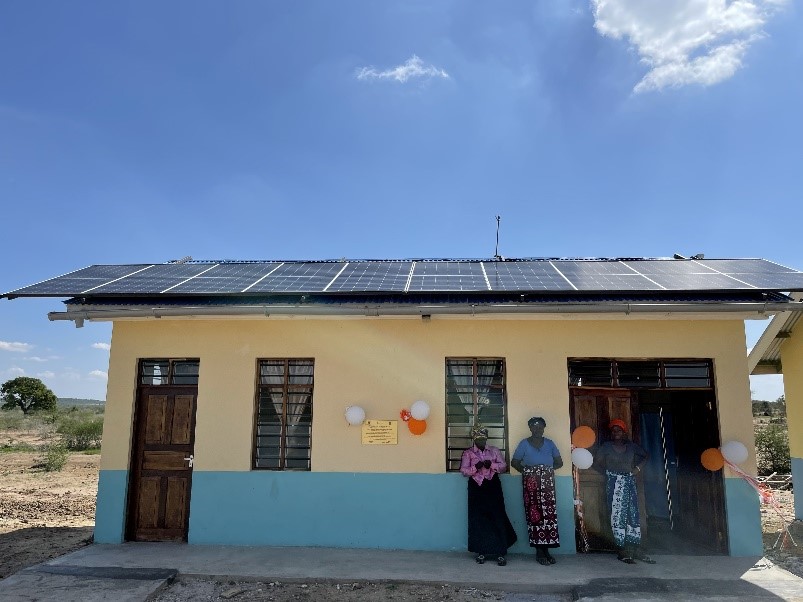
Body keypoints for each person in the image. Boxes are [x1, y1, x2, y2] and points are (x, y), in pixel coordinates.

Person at [592, 419, 655, 564]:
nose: (616, 433)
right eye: (613, 431)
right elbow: (595, 464)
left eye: (618, 430)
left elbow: (646, 456)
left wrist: (637, 469)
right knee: (616, 516)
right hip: (613, 484)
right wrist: (607, 474)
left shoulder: (632, 447)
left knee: (632, 515)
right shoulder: (606, 447)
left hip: (629, 482)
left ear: (624, 432)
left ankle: (635, 548)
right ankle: (622, 550)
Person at [460, 424, 518, 566]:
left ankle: (500, 552)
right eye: (478, 439)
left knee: (497, 516)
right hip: (476, 488)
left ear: (486, 439)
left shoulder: (494, 451)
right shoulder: (468, 453)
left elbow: (503, 466)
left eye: (483, 439)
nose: (481, 442)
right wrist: (476, 467)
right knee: (478, 518)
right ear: (474, 439)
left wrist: (491, 464)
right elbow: (464, 471)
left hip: (493, 486)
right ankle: (481, 551)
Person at [511, 416, 563, 566]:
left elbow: (559, 462)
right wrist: (529, 473)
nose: (537, 429)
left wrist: (545, 471)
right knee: (535, 515)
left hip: (547, 484)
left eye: (540, 426)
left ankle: (547, 550)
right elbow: (515, 462)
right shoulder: (524, 444)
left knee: (549, 515)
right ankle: (539, 551)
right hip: (531, 484)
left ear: (544, 428)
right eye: (534, 426)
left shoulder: (550, 443)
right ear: (530, 428)